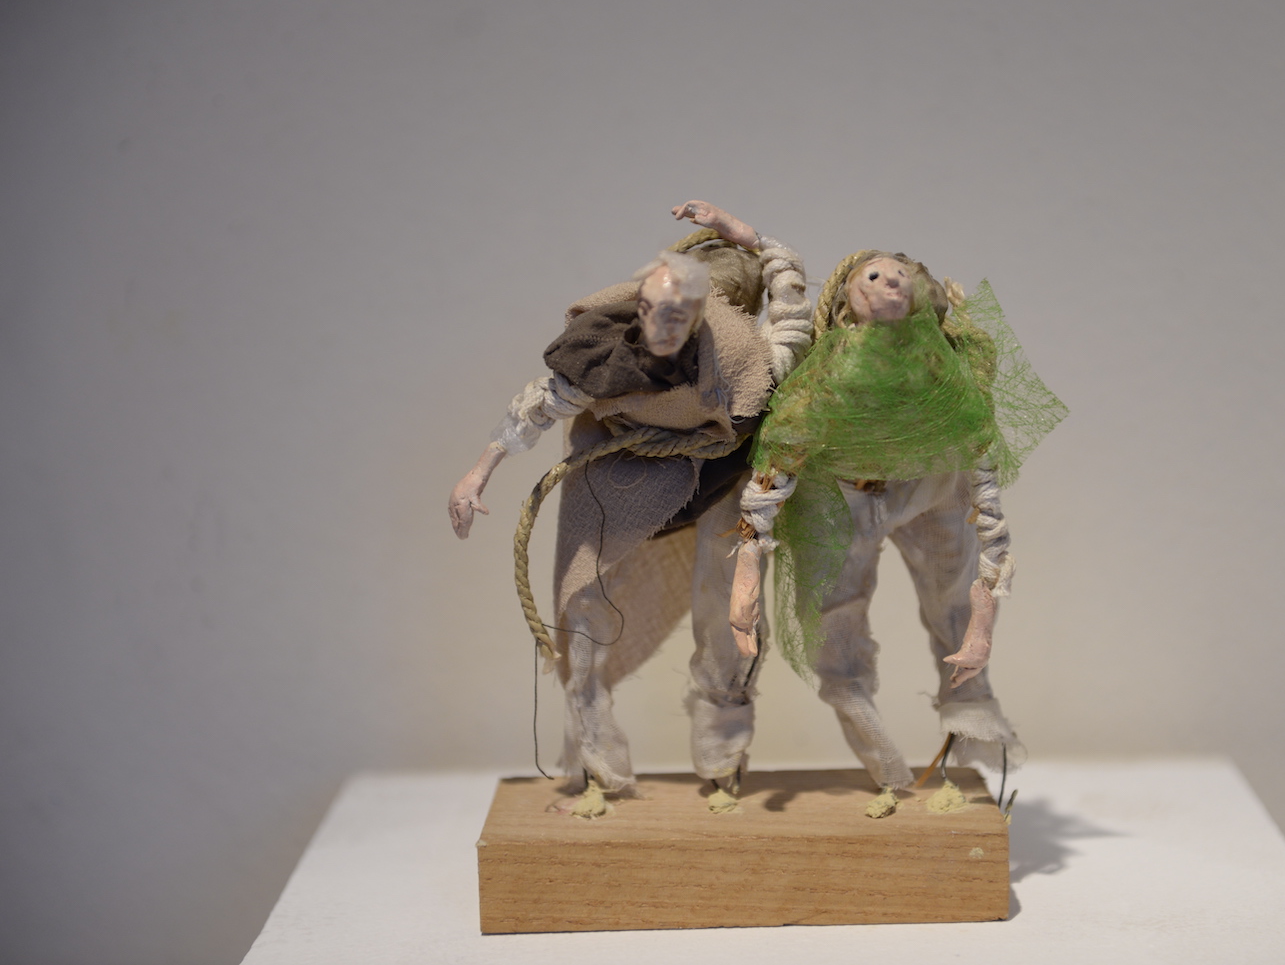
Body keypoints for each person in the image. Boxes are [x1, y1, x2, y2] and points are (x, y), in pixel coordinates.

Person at [449, 201, 809, 809]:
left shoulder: (749, 360)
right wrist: (476, 475)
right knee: (582, 602)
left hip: (721, 477)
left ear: (710, 311)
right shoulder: (601, 347)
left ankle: (724, 759)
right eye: (651, 309)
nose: (662, 326)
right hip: (613, 472)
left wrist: (753, 239)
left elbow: (792, 308)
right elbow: (539, 405)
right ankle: (596, 763)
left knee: (730, 611)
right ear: (639, 302)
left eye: (682, 313)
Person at [728, 251, 1065, 815]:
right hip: (839, 495)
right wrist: (747, 565)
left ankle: (972, 714)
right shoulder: (824, 376)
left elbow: (986, 493)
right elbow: (777, 464)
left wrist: (982, 618)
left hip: (931, 484)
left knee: (952, 598)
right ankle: (882, 760)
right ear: (847, 300)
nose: (889, 284)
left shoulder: (943, 373)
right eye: (874, 276)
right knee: (834, 622)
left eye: (899, 277)